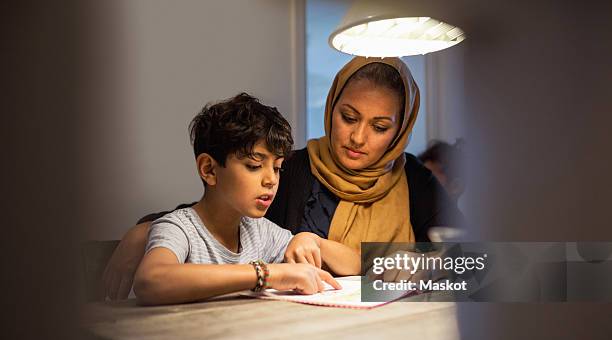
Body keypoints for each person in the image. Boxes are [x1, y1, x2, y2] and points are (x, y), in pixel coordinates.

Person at [104, 57, 463, 300]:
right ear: (331, 108)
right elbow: (217, 209)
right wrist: (148, 228)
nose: (357, 138)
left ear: (401, 130)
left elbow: (485, 265)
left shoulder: (414, 179)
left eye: (380, 127)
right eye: (348, 117)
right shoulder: (289, 168)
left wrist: (417, 262)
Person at [136, 92, 356, 340]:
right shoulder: (179, 227)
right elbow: (151, 281)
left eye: (277, 168)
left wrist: (311, 239)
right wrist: (265, 273)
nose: (271, 181)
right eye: (254, 166)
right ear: (209, 170)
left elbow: (357, 263)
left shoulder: (259, 231)